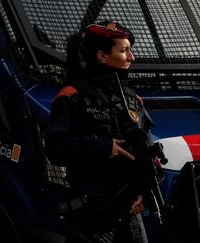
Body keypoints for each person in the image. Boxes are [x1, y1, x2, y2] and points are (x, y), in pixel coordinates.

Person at [45, 20, 156, 243]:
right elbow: (55, 149)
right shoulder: (71, 96)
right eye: (124, 51)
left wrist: (145, 193)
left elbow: (147, 150)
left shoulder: (132, 98)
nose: (132, 57)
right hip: (91, 217)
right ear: (102, 56)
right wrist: (104, 147)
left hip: (130, 215)